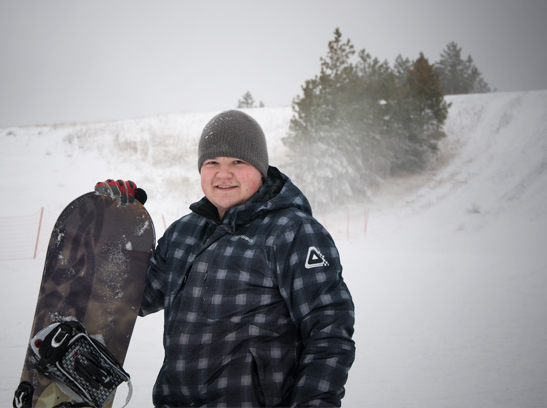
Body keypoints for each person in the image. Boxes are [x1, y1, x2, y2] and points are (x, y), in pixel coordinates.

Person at [98, 110, 355, 407]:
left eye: (238, 161)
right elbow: (133, 300)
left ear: (260, 168)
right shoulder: (184, 233)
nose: (223, 173)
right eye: (212, 163)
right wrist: (114, 226)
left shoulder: (292, 233)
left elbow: (329, 333)